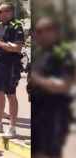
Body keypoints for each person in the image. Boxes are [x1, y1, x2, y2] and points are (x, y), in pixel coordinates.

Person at [30, 17, 75, 158]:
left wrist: (38, 80)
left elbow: (64, 85)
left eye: (40, 31)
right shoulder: (40, 52)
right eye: (36, 31)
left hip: (54, 114)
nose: (36, 35)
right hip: (38, 113)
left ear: (53, 32)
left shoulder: (62, 54)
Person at [0, 3, 24, 138]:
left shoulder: (16, 26)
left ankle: (12, 128)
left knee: (10, 95)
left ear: (9, 12)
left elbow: (17, 47)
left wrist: (0, 44)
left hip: (10, 65)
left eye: (0, 11)